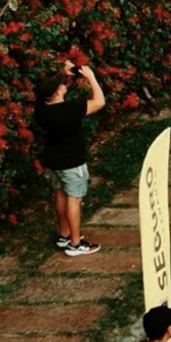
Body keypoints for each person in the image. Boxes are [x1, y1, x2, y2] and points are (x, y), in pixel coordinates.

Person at [35, 61, 105, 256]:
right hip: (72, 162)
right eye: (60, 85)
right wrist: (91, 78)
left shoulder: (41, 108)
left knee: (60, 193)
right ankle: (75, 244)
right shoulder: (69, 110)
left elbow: (48, 88)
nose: (63, 85)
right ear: (57, 93)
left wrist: (62, 73)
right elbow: (99, 102)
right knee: (74, 200)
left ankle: (64, 234)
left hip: (53, 160)